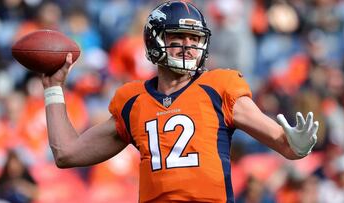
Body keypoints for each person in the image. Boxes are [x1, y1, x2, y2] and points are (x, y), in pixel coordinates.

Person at [40, 1, 319, 202]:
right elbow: (67, 153)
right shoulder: (132, 100)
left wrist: (298, 143)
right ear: (154, 40)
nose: (188, 44)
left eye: (194, 38)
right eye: (178, 36)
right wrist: (54, 88)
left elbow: (285, 145)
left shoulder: (219, 87)